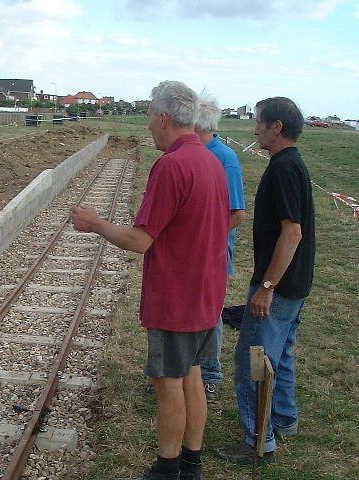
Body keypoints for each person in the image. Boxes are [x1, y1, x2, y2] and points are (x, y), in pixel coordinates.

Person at [71, 80, 229, 480]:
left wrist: (95, 224)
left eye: (148, 119)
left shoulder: (172, 166)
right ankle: (191, 462)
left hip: (176, 296)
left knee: (168, 382)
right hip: (207, 293)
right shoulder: (211, 160)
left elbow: (140, 240)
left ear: (162, 117)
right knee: (192, 374)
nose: (147, 128)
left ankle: (167, 467)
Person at [217, 97, 315, 464]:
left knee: (253, 362)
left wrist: (267, 286)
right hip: (296, 283)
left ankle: (259, 442)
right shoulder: (290, 164)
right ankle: (285, 419)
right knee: (282, 354)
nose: (254, 128)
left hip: (280, 286)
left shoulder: (283, 170)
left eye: (259, 122)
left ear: (277, 127)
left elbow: (292, 234)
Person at [194, 95, 246, 402]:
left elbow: (236, 214)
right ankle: (184, 370)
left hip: (212, 255)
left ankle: (210, 375)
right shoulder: (195, 154)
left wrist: (203, 239)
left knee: (210, 314)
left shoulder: (224, 158)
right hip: (191, 255)